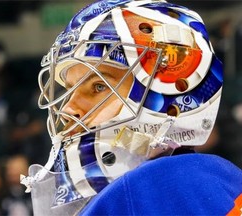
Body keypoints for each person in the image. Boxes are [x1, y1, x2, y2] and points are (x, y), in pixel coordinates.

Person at [20, 0, 242, 215]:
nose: (69, 109)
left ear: (167, 95)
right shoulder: (208, 180)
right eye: (70, 90)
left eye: (98, 86)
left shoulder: (158, 186)